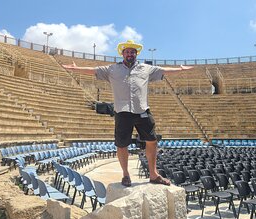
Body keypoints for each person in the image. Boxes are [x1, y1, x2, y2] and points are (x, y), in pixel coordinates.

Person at [63, 40, 194, 187]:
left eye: (132, 52)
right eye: (127, 52)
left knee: (152, 141)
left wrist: (180, 70)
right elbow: (93, 70)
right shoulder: (112, 69)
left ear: (136, 54)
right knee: (121, 144)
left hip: (142, 110)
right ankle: (125, 174)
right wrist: (76, 69)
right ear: (122, 54)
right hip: (122, 111)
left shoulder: (146, 68)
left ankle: (153, 174)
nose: (129, 54)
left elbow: (164, 71)